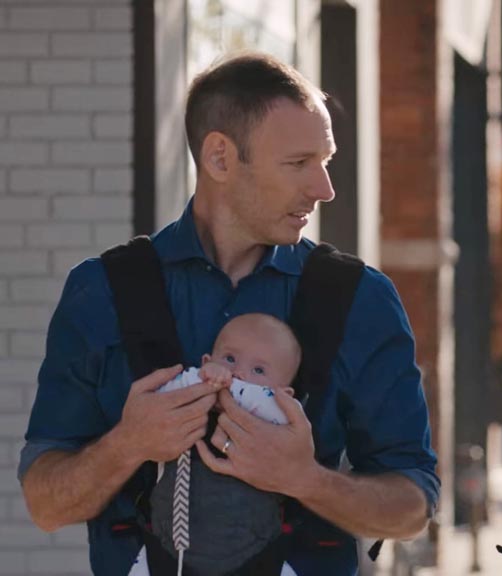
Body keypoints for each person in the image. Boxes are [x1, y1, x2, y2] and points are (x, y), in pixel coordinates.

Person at [19, 52, 438, 576]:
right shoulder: (100, 290)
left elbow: (413, 504)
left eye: (325, 160)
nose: (324, 188)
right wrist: (128, 445)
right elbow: (44, 502)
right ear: (219, 158)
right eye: (299, 163)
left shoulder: (363, 298)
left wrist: (303, 477)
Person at [132, 313, 303, 576]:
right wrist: (201, 379)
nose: (238, 373)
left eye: (258, 370)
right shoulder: (186, 397)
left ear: (286, 393)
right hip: (171, 550)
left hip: (257, 553)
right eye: (230, 359)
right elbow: (158, 401)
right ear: (206, 362)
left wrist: (229, 389)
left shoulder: (279, 417)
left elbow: (273, 405)